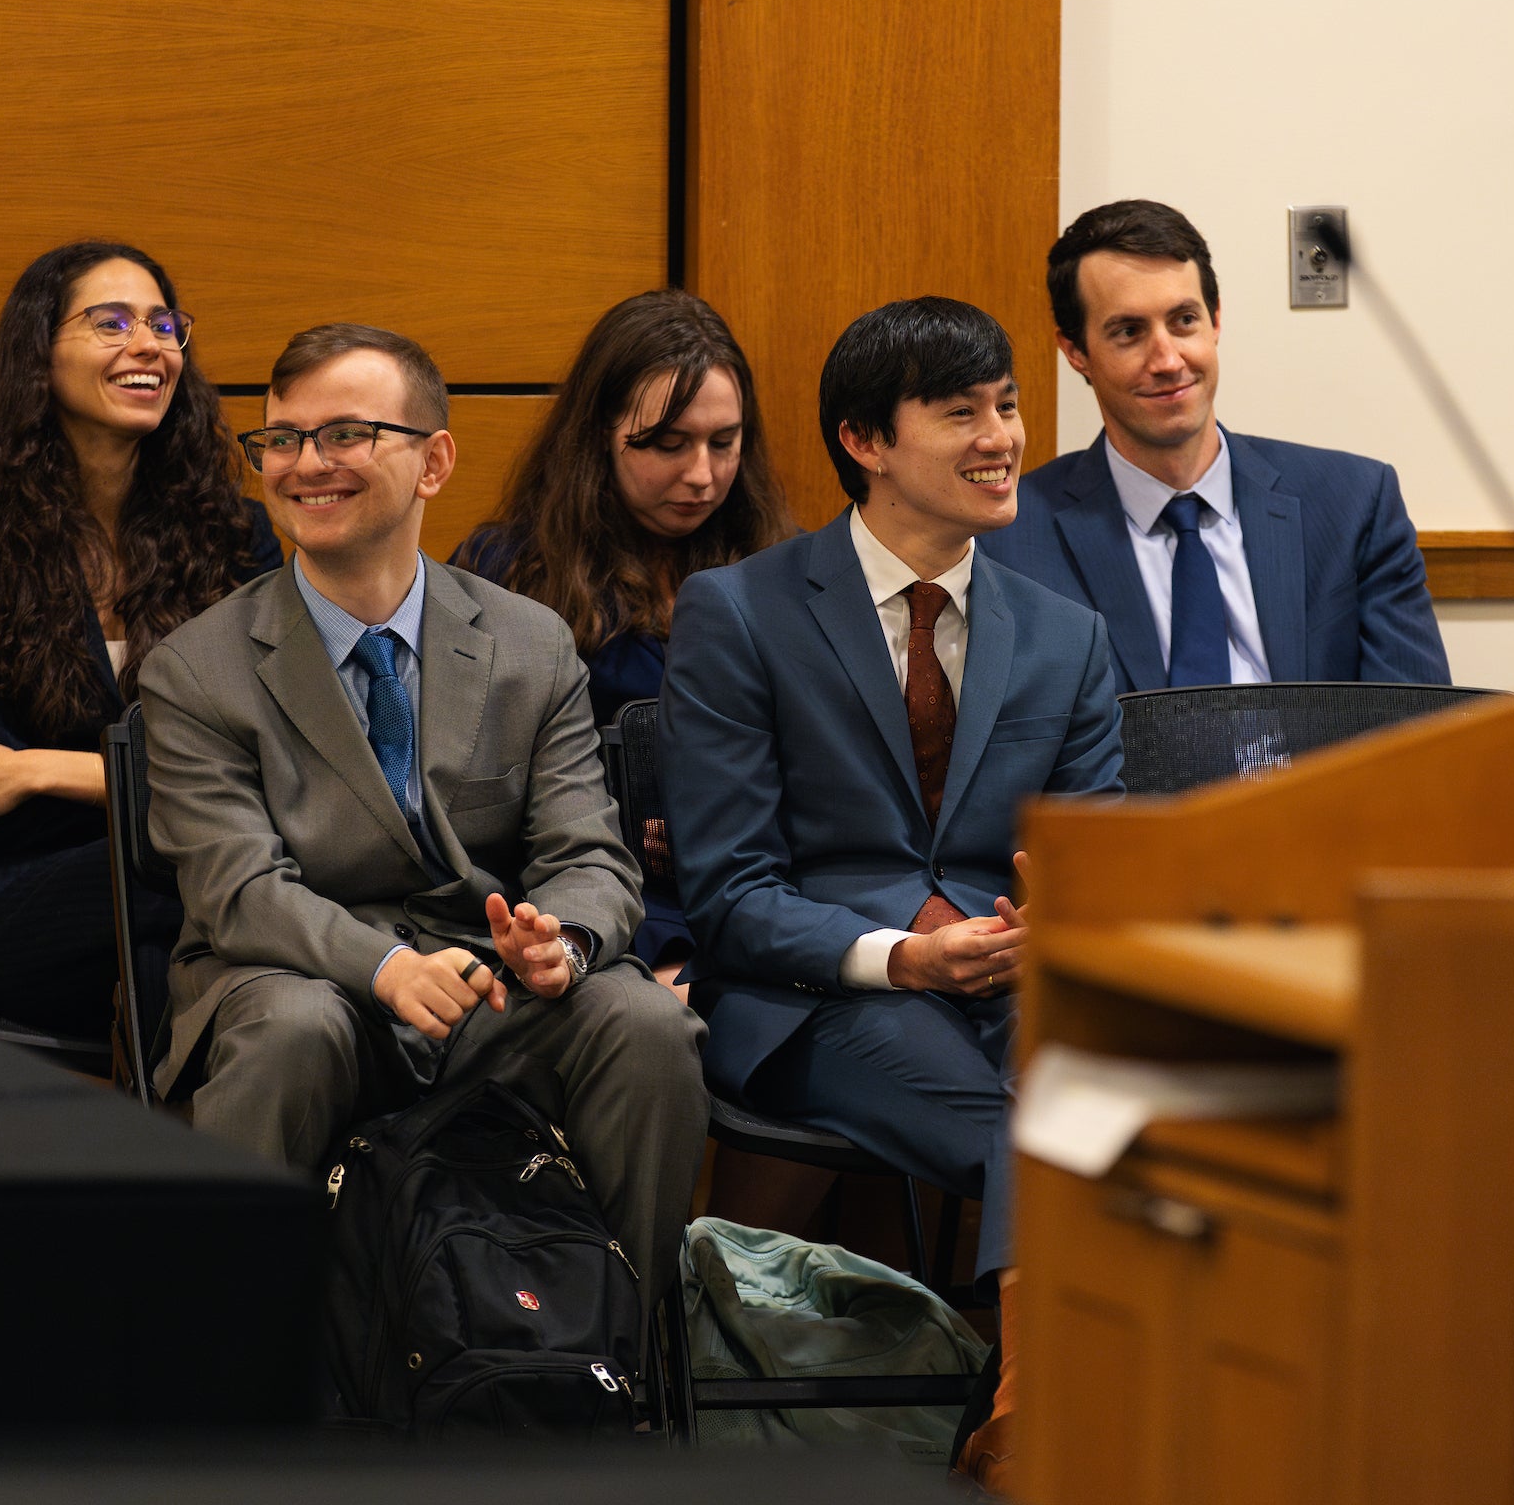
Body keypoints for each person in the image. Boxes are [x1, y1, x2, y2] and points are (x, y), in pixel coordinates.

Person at [139, 323, 708, 1315]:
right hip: (306, 979)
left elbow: (589, 856)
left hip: (488, 990)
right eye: (280, 439)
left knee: (646, 1023)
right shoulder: (198, 668)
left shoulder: (527, 644)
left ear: (433, 459)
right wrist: (386, 968)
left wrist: (560, 944)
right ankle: (228, 1385)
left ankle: (617, 1367)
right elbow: (238, 891)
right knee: (290, 1031)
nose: (304, 464)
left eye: (345, 435)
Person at [658, 297, 1124, 1484]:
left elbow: (1092, 853)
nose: (1001, 436)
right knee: (1050, 1135)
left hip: (1017, 984)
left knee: (1125, 1099)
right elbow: (730, 889)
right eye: (960, 411)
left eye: (1009, 406)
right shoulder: (744, 613)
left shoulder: (1065, 637)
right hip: (825, 995)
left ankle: (1051, 1409)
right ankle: (1050, 1418)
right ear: (866, 439)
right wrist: (904, 956)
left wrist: (1055, 915)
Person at [0, 240, 280, 1038]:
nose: (148, 345)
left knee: (212, 908)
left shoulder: (237, 539)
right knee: (230, 887)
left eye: (164, 324)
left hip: (199, 881)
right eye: (110, 323)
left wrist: (38, 770)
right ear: (39, 355)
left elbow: (261, 767)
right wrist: (180, 797)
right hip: (23, 905)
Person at [451, 290, 794, 992]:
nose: (701, 475)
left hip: (754, 885)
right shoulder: (510, 572)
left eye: (723, 443)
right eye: (666, 444)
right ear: (598, 436)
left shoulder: (779, 570)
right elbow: (470, 791)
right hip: (579, 896)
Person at [980, 198, 1450, 691]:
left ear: (1216, 319)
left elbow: (1419, 726)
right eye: (1128, 332)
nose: (1167, 360)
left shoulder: (1354, 501)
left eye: (1184, 320)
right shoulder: (1010, 537)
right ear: (1076, 352)